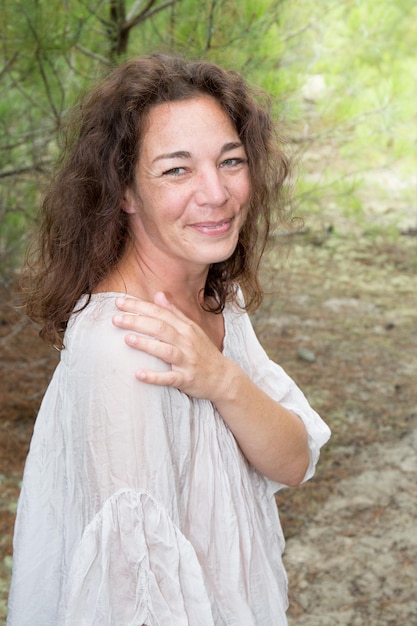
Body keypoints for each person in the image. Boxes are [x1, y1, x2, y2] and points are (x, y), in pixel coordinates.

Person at [7, 53, 330, 625]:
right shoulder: (124, 347)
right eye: (176, 170)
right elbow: (133, 602)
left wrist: (223, 379)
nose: (217, 193)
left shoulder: (215, 301)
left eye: (231, 161)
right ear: (124, 191)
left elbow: (295, 458)